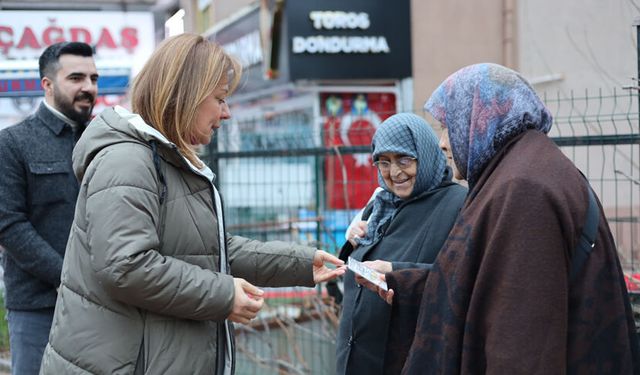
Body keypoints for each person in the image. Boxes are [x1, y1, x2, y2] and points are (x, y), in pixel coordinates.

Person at [39, 33, 345, 374]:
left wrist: (301, 263)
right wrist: (223, 295)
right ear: (185, 96)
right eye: (219, 99)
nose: (226, 113)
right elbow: (125, 267)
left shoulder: (165, 159)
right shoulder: (127, 160)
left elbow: (210, 249)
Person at [368, 63, 640, 374]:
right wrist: (402, 282)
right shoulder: (521, 170)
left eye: (449, 124)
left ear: (481, 118)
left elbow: (522, 342)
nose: (443, 142)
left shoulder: (525, 189)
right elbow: (487, 281)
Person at [335, 113, 467, 374]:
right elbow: (348, 278)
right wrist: (351, 243)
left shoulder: (458, 204)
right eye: (383, 162)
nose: (394, 172)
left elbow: (462, 279)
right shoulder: (380, 203)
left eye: (404, 159)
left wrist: (396, 271)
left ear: (426, 154)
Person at [0, 41, 98, 375]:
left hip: (104, 305)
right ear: (48, 84)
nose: (88, 87)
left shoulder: (104, 141)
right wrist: (66, 277)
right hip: (39, 307)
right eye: (76, 78)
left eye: (93, 78)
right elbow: (9, 224)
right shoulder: (13, 143)